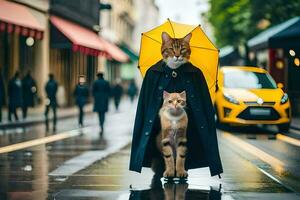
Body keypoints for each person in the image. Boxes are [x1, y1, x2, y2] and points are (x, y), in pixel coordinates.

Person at [129, 32, 223, 180]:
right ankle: (162, 166)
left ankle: (181, 167)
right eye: (172, 50)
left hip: (187, 133)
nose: (177, 55)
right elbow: (144, 110)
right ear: (164, 48)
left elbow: (205, 109)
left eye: (182, 50)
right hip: (159, 134)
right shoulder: (153, 73)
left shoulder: (196, 74)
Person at [92, 72, 110, 137]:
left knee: (99, 113)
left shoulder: (95, 82)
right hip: (104, 100)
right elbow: (109, 91)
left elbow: (93, 92)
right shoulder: (106, 82)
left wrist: (96, 96)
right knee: (103, 113)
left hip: (98, 100)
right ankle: (102, 124)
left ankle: (101, 124)